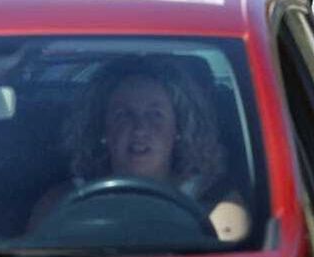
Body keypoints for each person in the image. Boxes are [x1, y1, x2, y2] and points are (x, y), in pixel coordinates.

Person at [30, 59, 249, 243]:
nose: (140, 128)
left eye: (155, 114)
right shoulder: (59, 206)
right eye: (123, 115)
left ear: (179, 128)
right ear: (102, 129)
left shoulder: (219, 206)